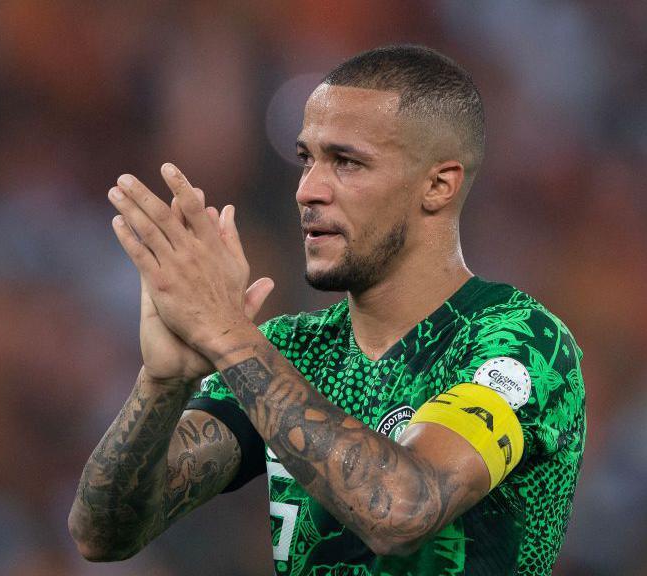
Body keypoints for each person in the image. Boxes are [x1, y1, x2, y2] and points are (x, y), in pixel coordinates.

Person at [69, 45, 585, 576]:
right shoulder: (291, 350)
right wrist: (162, 383)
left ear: (438, 185)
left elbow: (404, 511)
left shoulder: (520, 341)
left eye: (347, 162)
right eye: (306, 159)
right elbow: (103, 534)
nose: (307, 190)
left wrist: (226, 334)